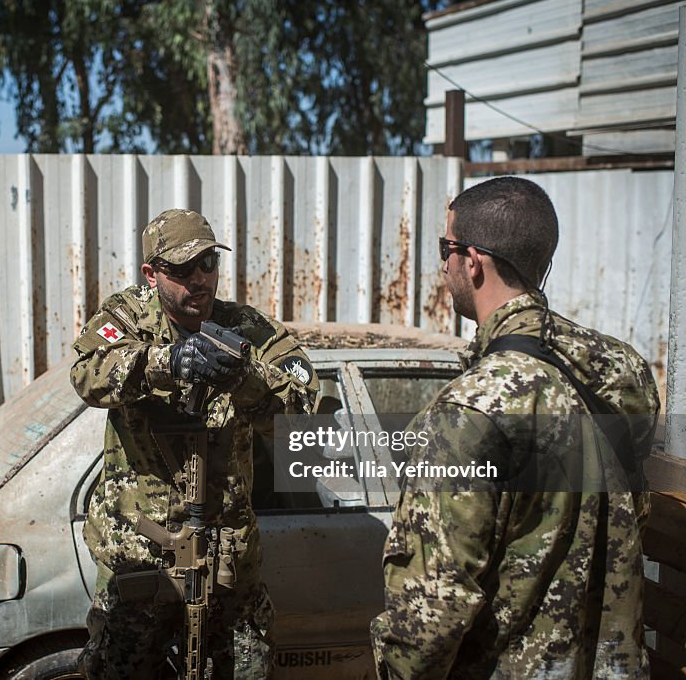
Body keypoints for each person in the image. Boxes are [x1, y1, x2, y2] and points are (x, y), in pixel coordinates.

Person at [370, 177, 659, 678]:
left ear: (474, 261)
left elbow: (430, 615)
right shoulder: (623, 370)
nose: (443, 265)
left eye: (447, 248)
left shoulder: (467, 410)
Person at [71, 208, 318, 678]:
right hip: (142, 568)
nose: (199, 280)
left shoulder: (244, 328)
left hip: (228, 573)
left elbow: (302, 399)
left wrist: (246, 377)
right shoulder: (126, 318)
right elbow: (88, 374)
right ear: (151, 274)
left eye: (208, 264)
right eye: (182, 270)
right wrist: (169, 361)